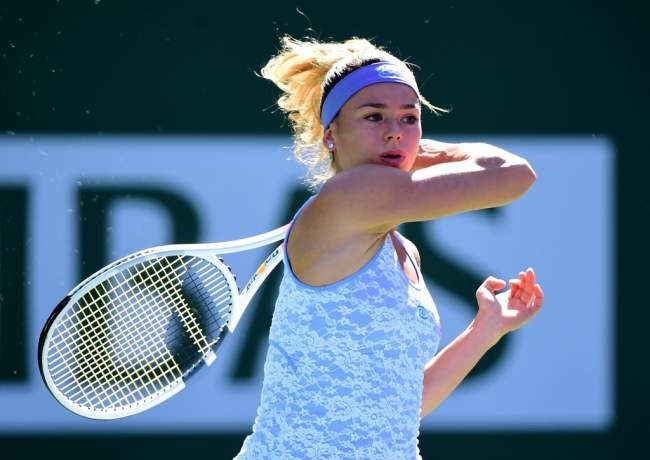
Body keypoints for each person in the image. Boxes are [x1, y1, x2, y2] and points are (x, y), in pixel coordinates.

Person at [234, 36, 544, 460]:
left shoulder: (404, 251)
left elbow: (400, 408)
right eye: (373, 116)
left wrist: (486, 329)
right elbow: (513, 174)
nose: (394, 131)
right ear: (330, 134)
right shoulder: (351, 196)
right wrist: (411, 149)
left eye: (409, 118)